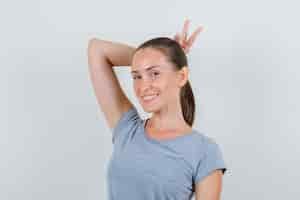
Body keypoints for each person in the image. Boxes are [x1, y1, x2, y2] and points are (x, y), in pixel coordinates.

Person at [87, 19, 227, 200]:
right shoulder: (127, 129)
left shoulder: (204, 151)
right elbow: (96, 49)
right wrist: (158, 58)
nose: (143, 86)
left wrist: (170, 58)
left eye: (154, 73)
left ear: (182, 76)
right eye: (137, 76)